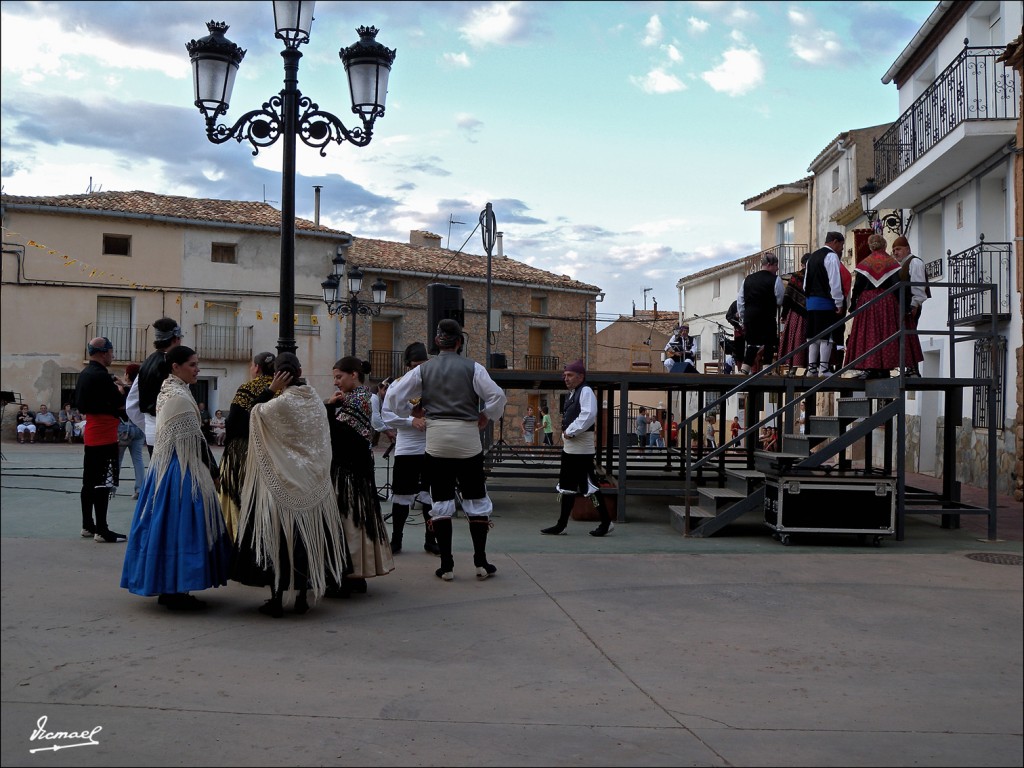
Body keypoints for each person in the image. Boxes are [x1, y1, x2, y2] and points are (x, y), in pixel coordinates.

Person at [384, 318, 507, 581]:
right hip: (467, 438)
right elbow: (497, 396)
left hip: (437, 438)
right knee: (475, 498)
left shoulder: (423, 370)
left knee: (440, 500)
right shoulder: (474, 368)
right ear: (460, 342)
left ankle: (447, 565)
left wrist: (411, 411)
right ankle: (481, 562)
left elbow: (393, 397)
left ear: (437, 342)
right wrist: (486, 415)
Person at [232, 353, 348, 618]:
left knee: (279, 538)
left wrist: (270, 390)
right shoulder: (316, 403)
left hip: (281, 482)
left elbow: (248, 417)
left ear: (277, 376)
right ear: (299, 371)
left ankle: (276, 597)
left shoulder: (274, 405)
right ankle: (302, 597)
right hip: (311, 480)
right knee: (305, 539)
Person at [121, 345, 230, 611]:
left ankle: (172, 586)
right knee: (181, 527)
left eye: (197, 364)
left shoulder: (170, 390)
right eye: (192, 364)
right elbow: (196, 442)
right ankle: (175, 589)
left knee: (167, 527)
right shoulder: (177, 396)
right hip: (180, 469)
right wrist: (214, 474)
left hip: (168, 466)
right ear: (175, 367)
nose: (197, 369)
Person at [327, 356, 395, 595]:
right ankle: (356, 575)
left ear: (353, 374)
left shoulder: (357, 400)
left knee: (349, 520)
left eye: (339, 377)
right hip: (358, 467)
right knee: (358, 520)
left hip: (349, 469)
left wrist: (327, 407)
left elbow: (336, 433)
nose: (336, 382)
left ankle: (348, 575)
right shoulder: (364, 397)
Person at [539, 359, 614, 537]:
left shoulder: (585, 391)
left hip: (581, 450)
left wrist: (570, 431)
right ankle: (562, 524)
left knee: (590, 487)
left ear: (581, 376)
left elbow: (588, 414)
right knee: (567, 487)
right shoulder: (573, 393)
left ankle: (606, 521)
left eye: (570, 375)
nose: (566, 378)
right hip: (570, 449)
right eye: (565, 375)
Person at [380, 342, 440, 556]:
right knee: (402, 495)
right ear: (407, 366)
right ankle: (397, 539)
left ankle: (430, 539)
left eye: (422, 365)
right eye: (414, 366)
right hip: (407, 446)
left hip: (431, 444)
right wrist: (409, 421)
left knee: (430, 495)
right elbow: (386, 415)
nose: (418, 370)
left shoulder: (434, 383)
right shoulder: (398, 385)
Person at [74, 337, 128, 542]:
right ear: (104, 352)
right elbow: (120, 405)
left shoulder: (85, 374)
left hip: (92, 433)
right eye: (112, 352)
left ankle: (87, 525)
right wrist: (121, 390)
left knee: (88, 482)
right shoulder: (102, 376)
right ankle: (102, 530)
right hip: (105, 435)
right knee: (103, 483)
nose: (113, 356)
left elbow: (81, 404)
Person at [218, 351, 276, 543]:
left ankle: (238, 541)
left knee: (238, 496)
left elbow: (234, 422)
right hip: (272, 453)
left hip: (243, 451)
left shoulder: (248, 388)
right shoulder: (283, 390)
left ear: (257, 368)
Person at [846, 233, 903, 379]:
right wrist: (903, 305)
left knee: (869, 334)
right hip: (886, 301)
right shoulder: (892, 263)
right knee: (886, 333)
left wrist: (853, 304)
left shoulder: (864, 264)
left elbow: (857, 287)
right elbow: (897, 285)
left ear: (870, 247)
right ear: (884, 245)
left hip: (867, 302)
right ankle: (885, 367)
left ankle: (870, 366)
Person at [126, 317, 184, 453]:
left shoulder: (146, 363)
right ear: (176, 338)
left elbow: (131, 404)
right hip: (172, 432)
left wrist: (149, 426)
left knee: (158, 472)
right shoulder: (173, 365)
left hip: (152, 433)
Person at [803, 231, 846, 377]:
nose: (842, 249)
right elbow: (834, 282)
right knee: (826, 336)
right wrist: (839, 302)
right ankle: (824, 368)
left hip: (811, 301)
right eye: (841, 245)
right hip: (825, 301)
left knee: (812, 337)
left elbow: (805, 284)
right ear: (835, 242)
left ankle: (811, 368)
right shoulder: (832, 256)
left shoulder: (812, 257)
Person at [737, 251, 784, 375]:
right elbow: (779, 299)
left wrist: (743, 316)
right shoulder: (775, 279)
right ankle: (767, 369)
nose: (777, 268)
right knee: (769, 342)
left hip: (750, 316)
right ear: (769, 265)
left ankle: (744, 369)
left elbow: (740, 301)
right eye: (776, 265)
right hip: (767, 315)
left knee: (752, 343)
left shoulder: (747, 279)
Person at [893, 235, 928, 377]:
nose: (895, 252)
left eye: (899, 249)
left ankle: (914, 368)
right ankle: (909, 367)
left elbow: (918, 286)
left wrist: (914, 305)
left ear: (907, 249)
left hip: (911, 306)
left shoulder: (915, 263)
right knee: (905, 336)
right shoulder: (900, 265)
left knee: (910, 335)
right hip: (904, 306)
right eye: (894, 250)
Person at [117, 363, 146, 501]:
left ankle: (111, 487)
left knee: (117, 459)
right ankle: (139, 489)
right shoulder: (142, 388)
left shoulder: (124, 389)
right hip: (139, 427)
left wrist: (120, 387)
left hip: (123, 427)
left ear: (127, 375)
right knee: (138, 460)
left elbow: (119, 405)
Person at [778, 254, 810, 373]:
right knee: (811, 340)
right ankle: (810, 368)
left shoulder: (796, 276)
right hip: (812, 313)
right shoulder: (816, 275)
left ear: (802, 264)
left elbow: (788, 296)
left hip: (796, 314)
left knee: (795, 340)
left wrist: (784, 314)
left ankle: (792, 369)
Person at [370, 379, 396, 456]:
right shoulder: (373, 397)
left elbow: (383, 416)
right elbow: (375, 419)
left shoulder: (379, 397)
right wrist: (388, 432)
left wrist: (389, 429)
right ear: (383, 388)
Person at [726, 300, 746, 373]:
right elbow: (728, 316)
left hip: (750, 331)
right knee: (739, 353)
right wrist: (735, 316)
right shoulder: (735, 304)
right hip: (739, 332)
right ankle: (741, 371)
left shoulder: (751, 302)